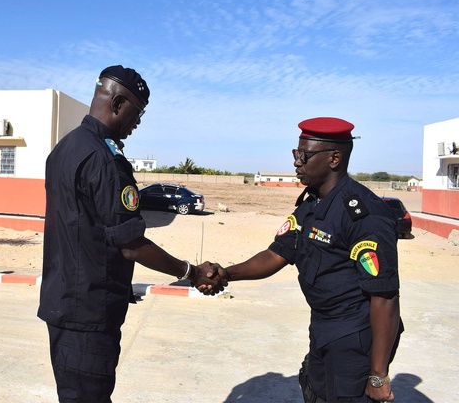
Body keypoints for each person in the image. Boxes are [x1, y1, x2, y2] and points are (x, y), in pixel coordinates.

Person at [37, 65, 226, 402]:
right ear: (119, 103)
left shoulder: (65, 148)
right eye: (138, 113)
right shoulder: (105, 160)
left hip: (64, 304)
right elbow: (130, 244)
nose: (138, 122)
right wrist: (192, 272)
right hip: (90, 313)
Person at [205, 117, 403, 403]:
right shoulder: (312, 203)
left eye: (304, 155)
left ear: (334, 158)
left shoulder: (364, 214)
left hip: (354, 336)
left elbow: (384, 297)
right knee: (316, 394)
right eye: (296, 154)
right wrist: (226, 273)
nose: (297, 162)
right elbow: (277, 253)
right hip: (323, 328)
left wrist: (378, 375)